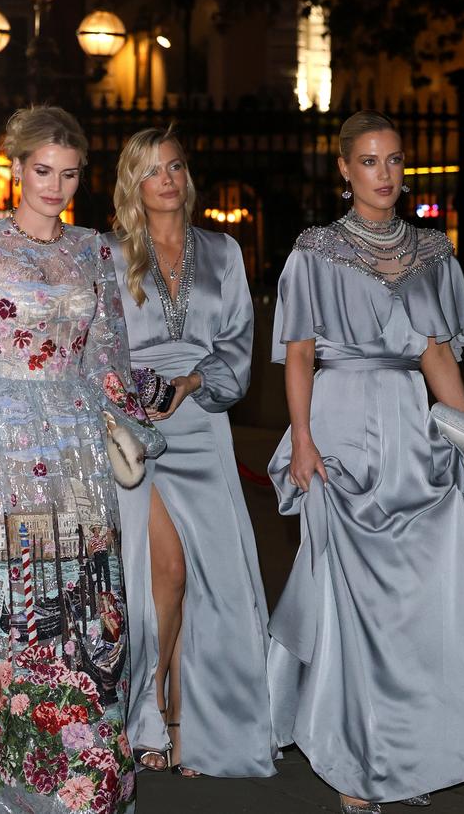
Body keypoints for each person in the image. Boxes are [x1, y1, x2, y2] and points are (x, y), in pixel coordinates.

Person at [0, 105, 163, 814]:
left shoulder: (93, 252)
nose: (56, 185)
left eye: (70, 173)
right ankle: (18, 786)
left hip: (78, 451)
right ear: (16, 168)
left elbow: (111, 357)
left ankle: (87, 789)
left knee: (88, 614)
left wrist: (150, 406)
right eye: (43, 171)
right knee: (7, 621)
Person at [266, 110, 464, 814]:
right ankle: (353, 760)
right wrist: (304, 440)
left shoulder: (433, 250)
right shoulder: (313, 251)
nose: (386, 175)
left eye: (395, 161)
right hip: (340, 429)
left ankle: (412, 749)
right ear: (344, 169)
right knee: (350, 603)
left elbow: (435, 352)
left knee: (428, 592)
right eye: (370, 162)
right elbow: (302, 353)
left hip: (412, 432)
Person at [105, 127, 276, 778]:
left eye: (175, 166)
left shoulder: (224, 251)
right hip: (134, 431)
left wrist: (197, 380)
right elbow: (97, 347)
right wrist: (125, 397)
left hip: (202, 424)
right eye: (152, 171)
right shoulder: (111, 256)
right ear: (133, 184)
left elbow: (238, 342)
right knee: (166, 573)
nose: (168, 179)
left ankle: (200, 719)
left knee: (214, 578)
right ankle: (156, 712)